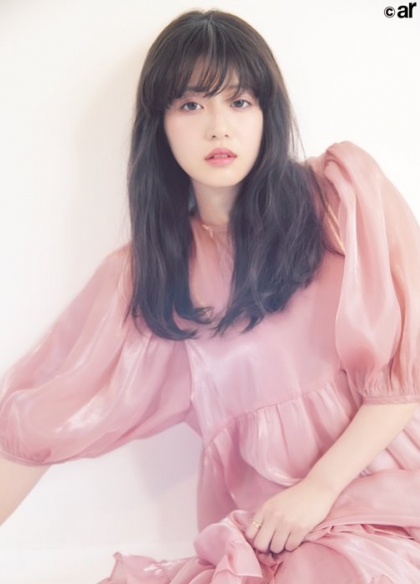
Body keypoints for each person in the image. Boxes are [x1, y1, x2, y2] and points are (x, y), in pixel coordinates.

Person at [1, 8, 420, 584]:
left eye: (240, 101)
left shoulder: (338, 197)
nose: (219, 128)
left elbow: (405, 376)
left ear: (268, 113)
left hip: (391, 504)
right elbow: (37, 423)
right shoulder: (149, 278)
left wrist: (318, 490)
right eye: (191, 105)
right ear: (160, 124)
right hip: (273, 539)